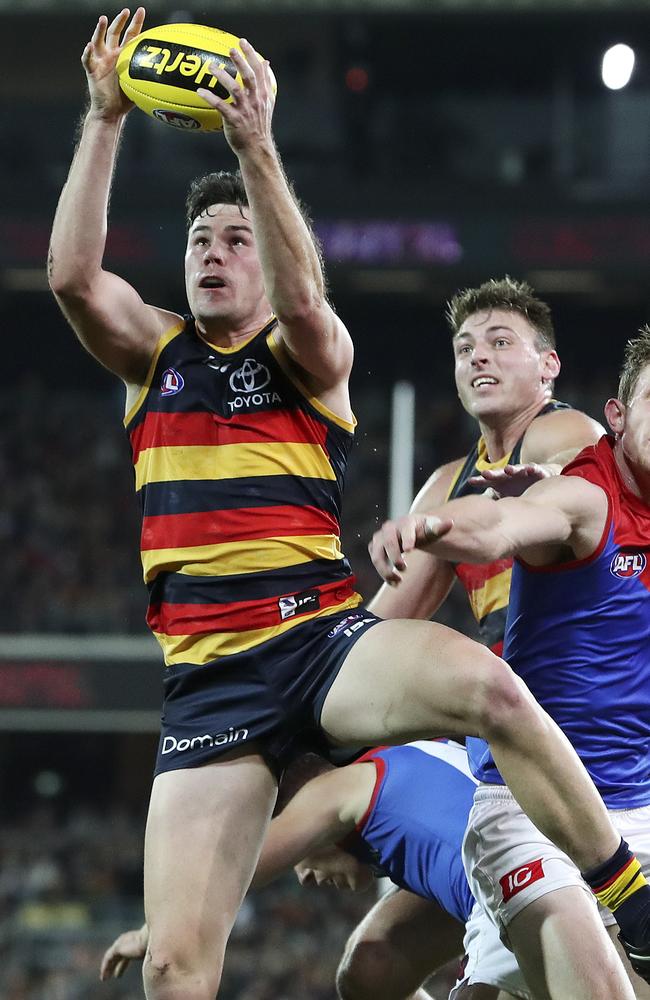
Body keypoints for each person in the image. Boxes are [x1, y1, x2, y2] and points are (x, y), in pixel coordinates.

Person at [49, 9, 650, 998]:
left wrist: (256, 150)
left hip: (316, 641)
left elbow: (306, 307)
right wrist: (104, 117)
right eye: (200, 237)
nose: (214, 250)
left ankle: (626, 895)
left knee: (490, 690)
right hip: (211, 679)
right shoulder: (153, 356)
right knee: (173, 964)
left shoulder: (304, 361)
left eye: (235, 237)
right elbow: (72, 277)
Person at [339, 275, 607, 999]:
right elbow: (373, 638)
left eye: (500, 342)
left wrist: (443, 525)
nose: (478, 359)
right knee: (370, 969)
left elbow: (534, 497)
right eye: (464, 348)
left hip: (598, 747)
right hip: (515, 753)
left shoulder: (568, 433)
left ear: (547, 366)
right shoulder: (446, 485)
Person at [100, 740, 523, 1000]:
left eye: (299, 855)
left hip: (518, 887)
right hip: (513, 870)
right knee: (370, 969)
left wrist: (151, 932)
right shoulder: (417, 763)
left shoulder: (340, 786)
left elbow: (232, 873)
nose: (304, 877)